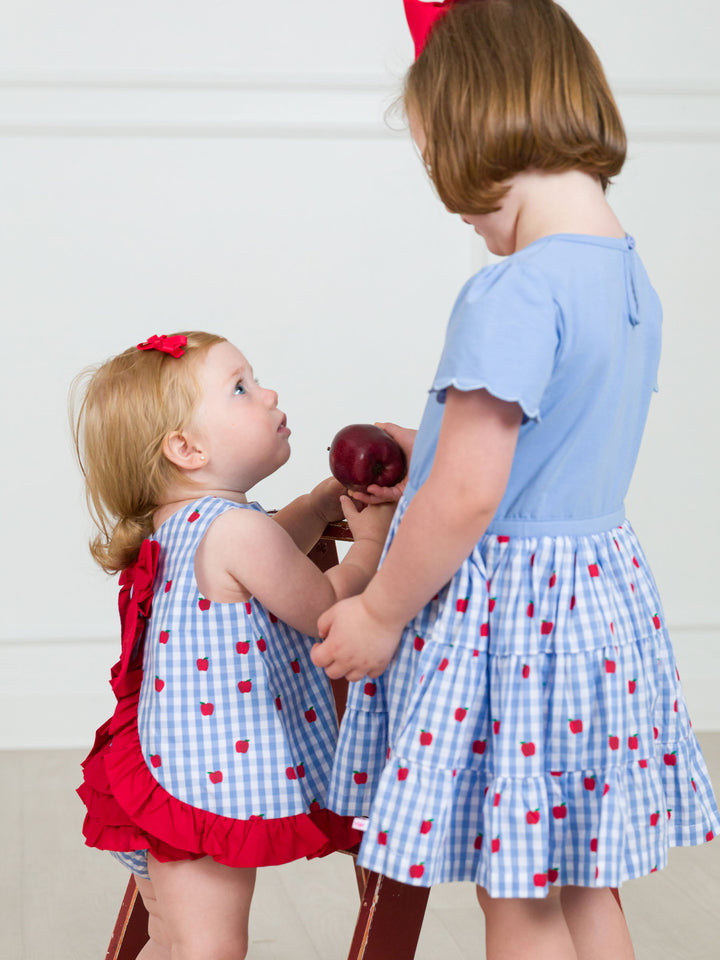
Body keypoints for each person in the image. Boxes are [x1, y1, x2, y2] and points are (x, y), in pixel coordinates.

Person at [311, 2, 720, 958]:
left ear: (480, 132)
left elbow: (468, 496)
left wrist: (380, 614)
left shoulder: (515, 288)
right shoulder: (622, 275)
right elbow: (554, 441)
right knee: (582, 879)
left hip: (519, 623)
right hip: (600, 610)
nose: (446, 196)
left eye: (436, 162)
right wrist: (428, 441)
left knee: (519, 890)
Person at [73, 331, 394, 960]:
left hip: (165, 767)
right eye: (241, 388)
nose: (268, 392)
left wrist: (317, 503)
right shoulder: (238, 534)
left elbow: (276, 542)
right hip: (203, 783)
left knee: (175, 939)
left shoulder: (191, 524)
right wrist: (375, 547)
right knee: (208, 948)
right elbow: (324, 610)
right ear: (187, 448)